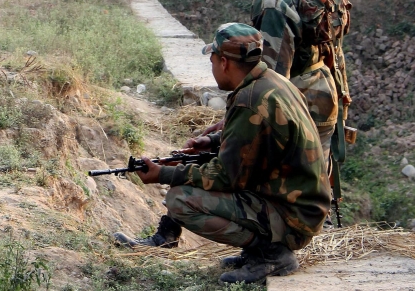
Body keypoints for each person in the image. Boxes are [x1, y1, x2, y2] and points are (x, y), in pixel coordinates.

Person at [115, 23, 330, 284]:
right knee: (194, 178)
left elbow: (226, 177)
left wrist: (166, 174)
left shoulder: (250, 100)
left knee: (180, 199)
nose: (213, 66)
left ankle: (271, 253)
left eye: (213, 59)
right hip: (297, 206)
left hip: (293, 219)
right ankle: (245, 249)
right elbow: (257, 137)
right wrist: (214, 140)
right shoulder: (271, 82)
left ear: (225, 62)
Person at [234, 0, 340, 163]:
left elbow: (272, 80)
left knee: (296, 193)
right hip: (320, 97)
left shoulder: (273, 1)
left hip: (302, 107)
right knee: (316, 186)